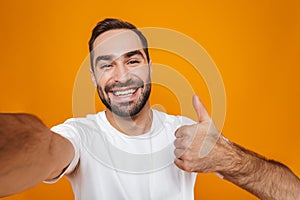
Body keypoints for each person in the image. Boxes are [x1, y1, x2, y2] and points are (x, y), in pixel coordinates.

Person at [0, 18, 299, 200]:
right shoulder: (79, 135)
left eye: (132, 61)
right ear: (93, 78)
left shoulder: (185, 132)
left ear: (150, 68)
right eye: (107, 65)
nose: (121, 77)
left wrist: (227, 158)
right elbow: (45, 149)